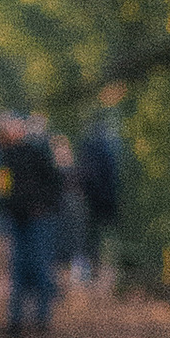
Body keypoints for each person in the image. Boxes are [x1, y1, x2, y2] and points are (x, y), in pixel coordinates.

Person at [0, 115, 64, 338]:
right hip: (20, 220)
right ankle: (18, 321)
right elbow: (0, 190)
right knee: (20, 270)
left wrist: (44, 206)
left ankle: (40, 320)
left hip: (38, 219)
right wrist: (8, 210)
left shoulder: (37, 152)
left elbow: (54, 182)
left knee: (39, 268)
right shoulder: (4, 157)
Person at [72, 113, 123, 282]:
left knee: (89, 235)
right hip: (105, 197)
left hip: (91, 198)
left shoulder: (89, 146)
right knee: (101, 235)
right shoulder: (110, 147)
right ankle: (105, 268)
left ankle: (93, 269)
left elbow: (84, 172)